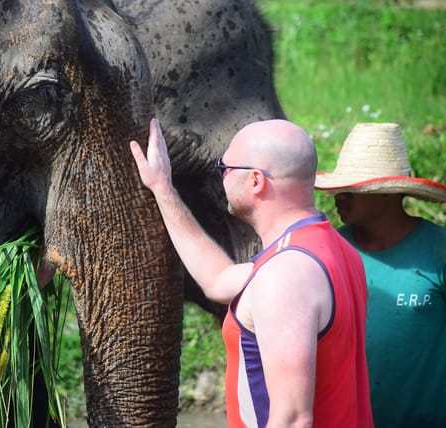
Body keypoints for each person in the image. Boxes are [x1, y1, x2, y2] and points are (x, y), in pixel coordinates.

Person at [130, 118, 373, 427]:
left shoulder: (285, 276)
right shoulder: (333, 251)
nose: (222, 178)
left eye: (225, 168)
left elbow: (292, 419)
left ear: (256, 181)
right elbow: (218, 280)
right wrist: (163, 189)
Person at [315, 122, 446, 427]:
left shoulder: (438, 250)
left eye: (352, 189)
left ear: (387, 193)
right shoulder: (331, 249)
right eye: (339, 188)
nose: (339, 196)